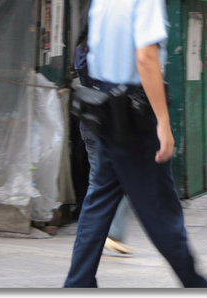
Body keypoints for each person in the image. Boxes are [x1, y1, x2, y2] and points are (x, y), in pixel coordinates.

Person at [64, 0, 207, 288]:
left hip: (103, 109)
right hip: (134, 113)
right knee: (160, 209)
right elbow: (146, 58)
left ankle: (78, 283)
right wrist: (163, 123)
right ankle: (196, 284)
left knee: (99, 202)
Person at [73, 26, 134, 256]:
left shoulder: (81, 51)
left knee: (96, 181)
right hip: (110, 121)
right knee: (126, 178)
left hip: (89, 121)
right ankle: (113, 233)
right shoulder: (106, 52)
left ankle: (90, 232)